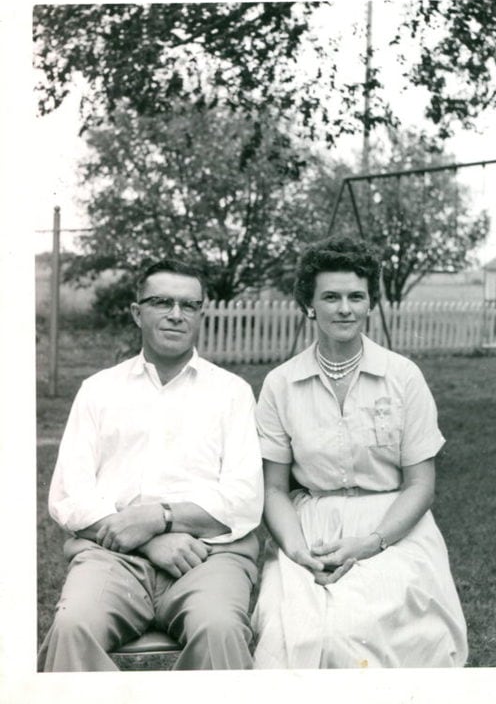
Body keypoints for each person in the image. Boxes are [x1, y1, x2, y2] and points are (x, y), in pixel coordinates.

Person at [252, 236, 468, 668]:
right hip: (310, 527)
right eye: (330, 297)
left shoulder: (403, 377)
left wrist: (370, 544)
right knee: (288, 630)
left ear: (371, 303)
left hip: (393, 526)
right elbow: (274, 489)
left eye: (356, 296)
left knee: (359, 629)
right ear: (309, 304)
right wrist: (296, 552)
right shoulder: (281, 383)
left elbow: (421, 483)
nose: (345, 308)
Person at [38, 259, 263, 672]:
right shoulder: (98, 390)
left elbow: (243, 499)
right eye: (162, 302)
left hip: (208, 556)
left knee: (220, 630)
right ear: (136, 311)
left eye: (189, 305)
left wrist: (159, 518)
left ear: (201, 313)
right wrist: (147, 540)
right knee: (72, 627)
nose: (176, 315)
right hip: (112, 557)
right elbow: (71, 494)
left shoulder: (232, 393)